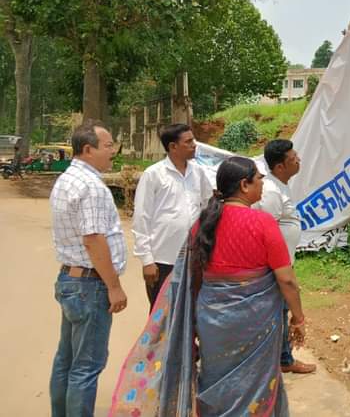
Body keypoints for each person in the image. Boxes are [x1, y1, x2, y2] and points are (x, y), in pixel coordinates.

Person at [109, 157, 306, 416]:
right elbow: (287, 279)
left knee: (215, 376)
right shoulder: (263, 223)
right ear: (245, 185)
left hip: (212, 319)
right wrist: (298, 318)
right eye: (259, 179)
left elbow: (194, 277)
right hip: (254, 320)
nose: (262, 183)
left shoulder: (203, 223)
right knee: (256, 379)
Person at [49, 121, 128, 417]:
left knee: (66, 361)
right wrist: (114, 286)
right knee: (86, 366)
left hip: (71, 280)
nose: (113, 151)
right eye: (108, 146)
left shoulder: (68, 179)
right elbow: (94, 239)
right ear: (87, 149)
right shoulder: (91, 187)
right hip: (90, 285)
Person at [132, 123, 213, 310]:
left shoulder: (198, 172)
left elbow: (208, 205)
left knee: (190, 311)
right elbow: (141, 218)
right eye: (189, 141)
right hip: (163, 259)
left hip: (194, 256)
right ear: (173, 147)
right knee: (161, 315)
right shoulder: (153, 174)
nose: (194, 145)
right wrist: (147, 261)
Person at [256, 139, 316, 374]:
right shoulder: (271, 192)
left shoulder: (280, 185)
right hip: (275, 267)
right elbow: (266, 231)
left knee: (280, 310)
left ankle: (281, 357)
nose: (298, 160)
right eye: (293, 158)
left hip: (282, 262)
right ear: (280, 166)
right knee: (279, 311)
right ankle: (282, 359)